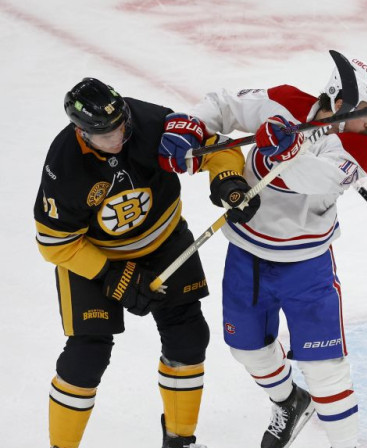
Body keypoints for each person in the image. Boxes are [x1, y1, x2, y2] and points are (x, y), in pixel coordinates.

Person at [157, 55, 367, 448]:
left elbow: (309, 179)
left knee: (325, 372)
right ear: (338, 100)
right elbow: (224, 104)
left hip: (307, 267)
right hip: (247, 254)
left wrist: (278, 156)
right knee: (247, 351)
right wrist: (194, 126)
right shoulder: (286, 101)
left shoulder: (357, 152)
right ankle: (289, 401)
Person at [34, 77, 253, 448]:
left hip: (165, 242)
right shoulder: (64, 165)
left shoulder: (150, 122)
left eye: (121, 126)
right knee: (87, 355)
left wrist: (229, 182)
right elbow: (54, 244)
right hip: (94, 256)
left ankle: (179, 440)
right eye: (105, 135)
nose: (117, 138)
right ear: (81, 131)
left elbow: (219, 149)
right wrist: (108, 273)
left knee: (188, 337)